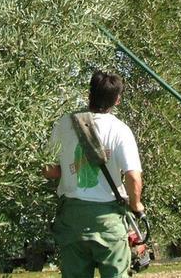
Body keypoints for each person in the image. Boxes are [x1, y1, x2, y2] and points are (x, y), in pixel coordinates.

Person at [43, 70, 144, 278]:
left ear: (89, 95)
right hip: (107, 220)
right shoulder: (120, 130)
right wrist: (136, 206)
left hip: (72, 219)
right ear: (117, 100)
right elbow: (133, 177)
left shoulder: (64, 124)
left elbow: (49, 170)